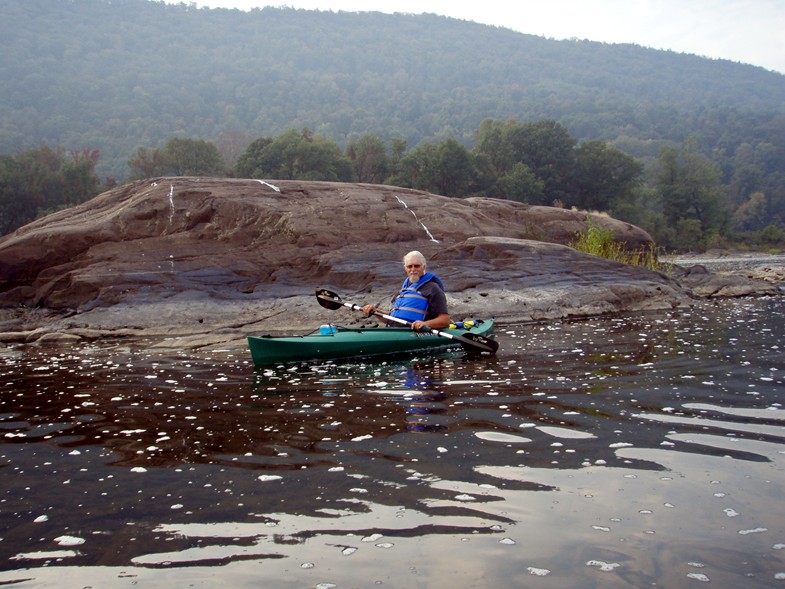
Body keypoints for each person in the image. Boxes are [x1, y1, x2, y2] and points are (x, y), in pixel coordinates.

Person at [362, 250, 452, 331]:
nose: (413, 270)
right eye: (409, 266)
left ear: (423, 267)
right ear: (405, 268)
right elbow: (392, 318)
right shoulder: (404, 290)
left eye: (417, 266)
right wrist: (376, 311)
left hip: (415, 333)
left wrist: (424, 324)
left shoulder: (433, 288)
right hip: (394, 331)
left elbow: (445, 320)